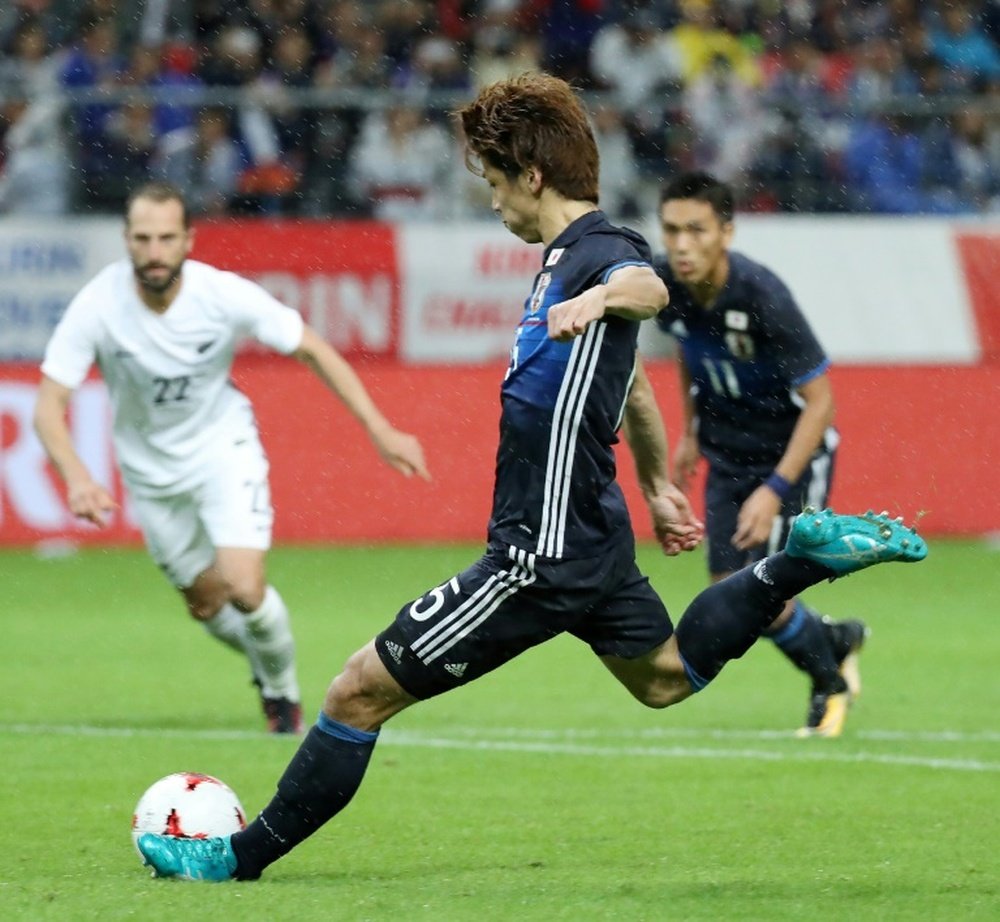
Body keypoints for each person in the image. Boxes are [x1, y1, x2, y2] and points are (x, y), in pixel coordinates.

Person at [135, 74, 926, 882]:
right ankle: (802, 561)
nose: (492, 201)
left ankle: (236, 861)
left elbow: (645, 285)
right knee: (664, 679)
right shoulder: (562, 263)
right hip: (593, 536)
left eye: (494, 180)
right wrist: (656, 482)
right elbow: (635, 387)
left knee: (354, 691)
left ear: (533, 176)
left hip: (536, 553)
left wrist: (603, 300)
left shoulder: (599, 255)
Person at [33, 181, 430, 734]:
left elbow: (311, 346)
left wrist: (379, 428)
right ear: (126, 240)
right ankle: (264, 664)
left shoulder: (222, 295)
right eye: (143, 238)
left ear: (188, 240)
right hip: (150, 477)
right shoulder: (98, 305)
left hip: (223, 450)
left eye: (166, 238)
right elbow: (49, 406)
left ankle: (281, 692)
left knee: (244, 587)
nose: (154, 251)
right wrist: (76, 477)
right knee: (206, 603)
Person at [636, 170, 867, 737]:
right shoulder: (667, 285)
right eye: (672, 230)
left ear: (727, 232)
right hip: (727, 455)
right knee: (730, 592)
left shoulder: (763, 295)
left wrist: (775, 490)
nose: (682, 244)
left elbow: (820, 404)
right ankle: (834, 640)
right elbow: (688, 350)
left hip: (791, 458)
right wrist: (691, 430)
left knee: (764, 590)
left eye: (697, 230)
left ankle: (829, 681)